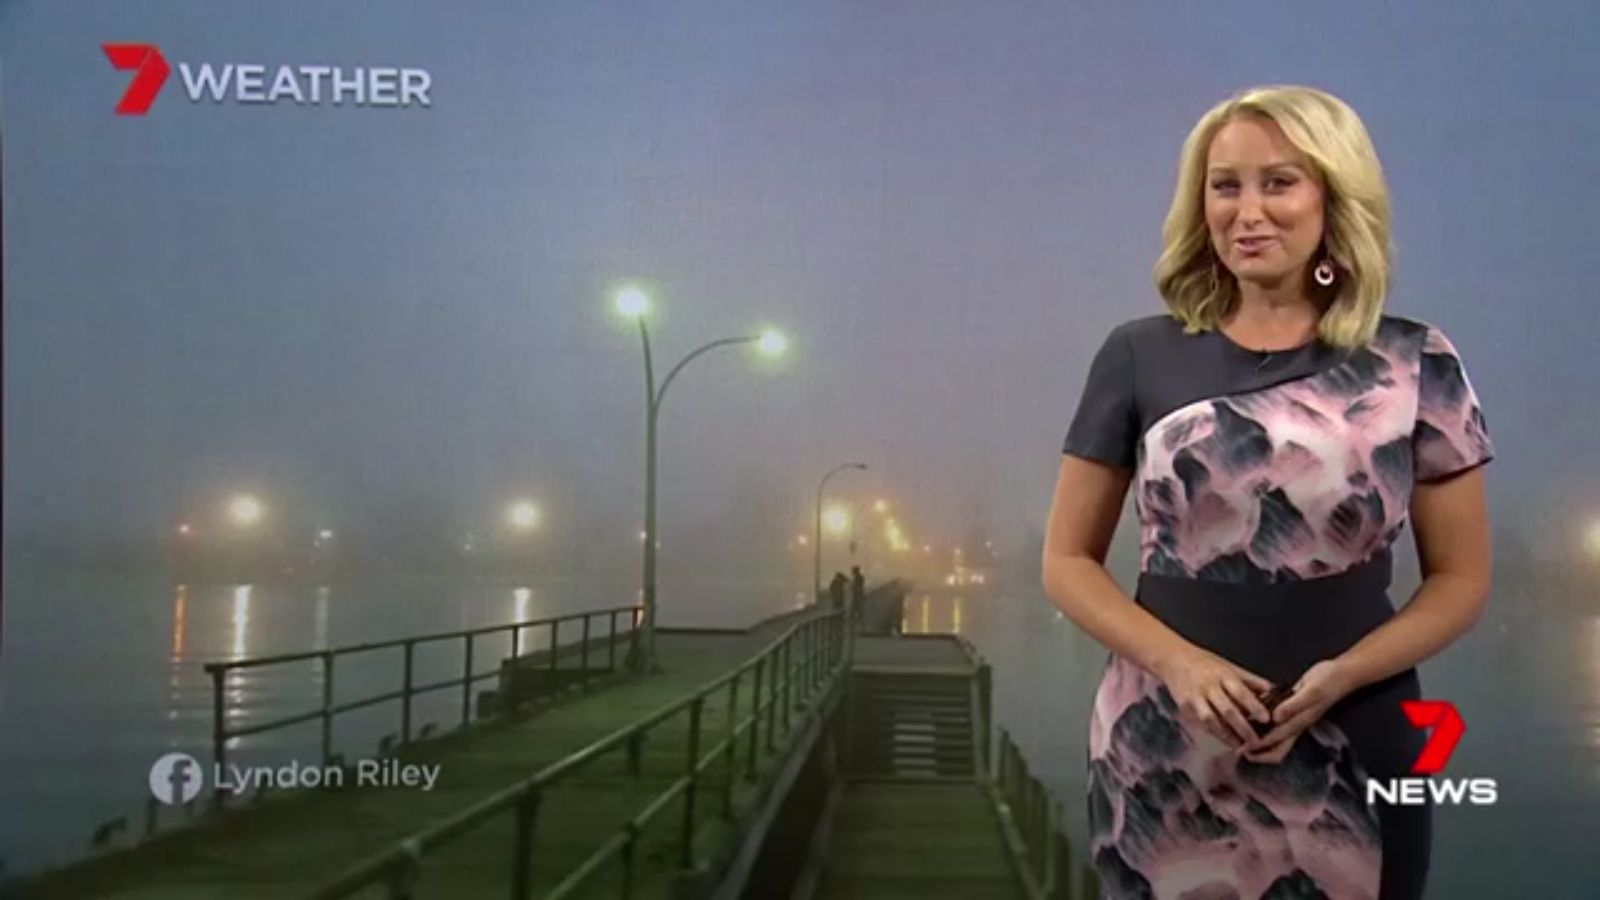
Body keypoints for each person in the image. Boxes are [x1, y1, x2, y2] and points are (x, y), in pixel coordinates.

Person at [1042, 85, 1493, 900]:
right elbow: (1066, 562)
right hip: (1163, 751)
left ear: (1334, 198)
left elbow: (1462, 579)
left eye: (1278, 182)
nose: (1246, 211)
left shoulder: (1417, 361)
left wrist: (1345, 675)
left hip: (1359, 736)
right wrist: (1178, 666)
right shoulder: (1138, 354)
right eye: (1225, 186)